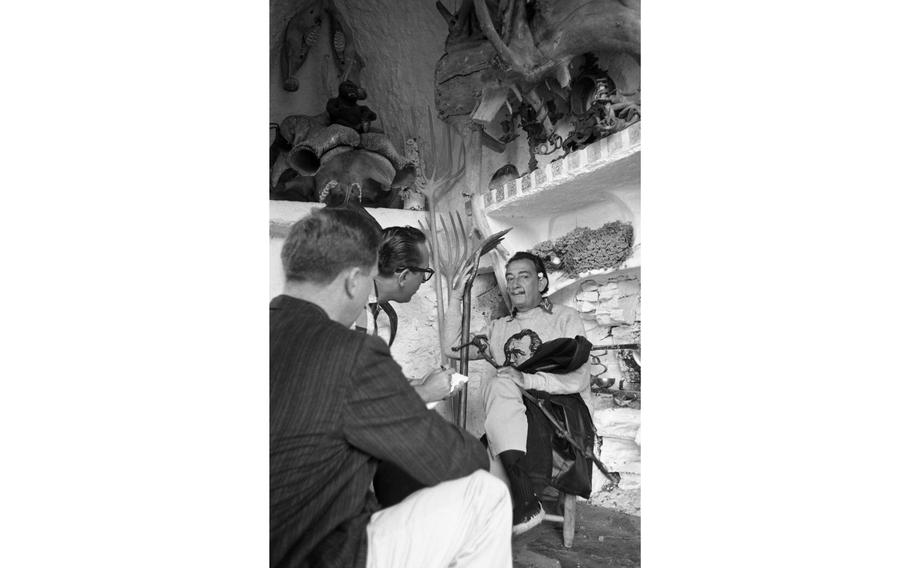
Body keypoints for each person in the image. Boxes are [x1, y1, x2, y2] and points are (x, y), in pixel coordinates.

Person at [271, 208, 512, 568]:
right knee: (489, 495)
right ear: (354, 281)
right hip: (316, 551)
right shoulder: (349, 350)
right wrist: (492, 463)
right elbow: (445, 457)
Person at [443, 251, 592, 535]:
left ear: (542, 281)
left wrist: (525, 378)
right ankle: (523, 502)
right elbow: (452, 348)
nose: (514, 284)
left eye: (523, 276)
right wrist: (455, 298)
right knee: (478, 492)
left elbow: (579, 378)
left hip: (556, 419)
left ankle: (522, 495)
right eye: (509, 277)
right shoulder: (499, 328)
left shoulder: (565, 318)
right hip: (510, 421)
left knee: (501, 383)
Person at [354, 225, 452, 403]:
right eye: (424, 273)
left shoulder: (359, 296)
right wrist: (426, 393)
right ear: (404, 276)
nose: (423, 281)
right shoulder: (357, 314)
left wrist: (417, 383)